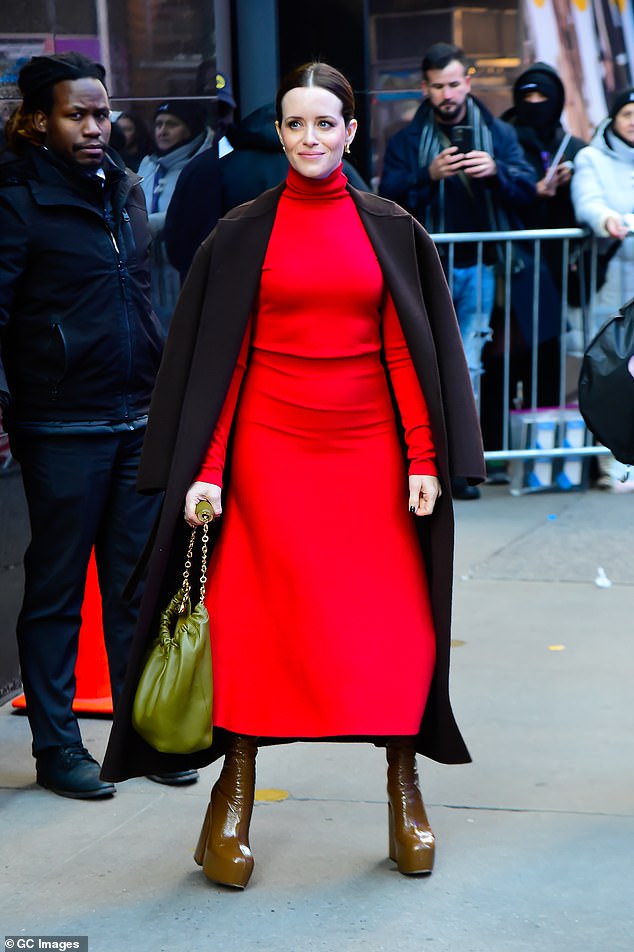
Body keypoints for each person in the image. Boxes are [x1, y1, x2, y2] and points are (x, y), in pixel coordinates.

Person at [102, 61, 485, 888]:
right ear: (277, 134)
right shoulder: (240, 231)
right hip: (268, 460)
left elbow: (405, 353)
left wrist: (425, 459)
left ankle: (403, 788)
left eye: (325, 124)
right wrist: (205, 472)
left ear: (351, 132)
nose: (310, 139)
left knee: (395, 631)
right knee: (253, 630)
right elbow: (223, 366)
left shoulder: (390, 225)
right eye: (294, 125)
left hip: (370, 460)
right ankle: (232, 797)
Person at [0, 52, 197, 798]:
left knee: (137, 586)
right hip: (60, 423)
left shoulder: (121, 186)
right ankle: (58, 750)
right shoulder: (17, 200)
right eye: (76, 114)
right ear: (37, 120)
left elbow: (140, 297)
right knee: (56, 591)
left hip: (136, 414)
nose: (94, 126)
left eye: (101, 112)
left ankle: (143, 736)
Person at [379, 42, 536, 499]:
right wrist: (427, 176)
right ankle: (434, 462)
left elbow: (527, 192)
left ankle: (462, 467)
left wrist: (496, 172)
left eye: (453, 84)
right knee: (429, 366)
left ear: (467, 81)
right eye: (437, 87)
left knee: (468, 367)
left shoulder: (497, 133)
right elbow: (386, 198)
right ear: (424, 88)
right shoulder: (408, 140)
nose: (447, 95)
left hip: (481, 267)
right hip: (428, 271)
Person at [164, 101, 371, 284]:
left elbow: (181, 244)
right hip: (319, 296)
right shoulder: (331, 167)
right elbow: (372, 232)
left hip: (229, 301)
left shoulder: (209, 166)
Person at [572, 87, 634, 491]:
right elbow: (587, 203)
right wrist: (607, 219)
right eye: (628, 113)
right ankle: (612, 463)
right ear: (614, 118)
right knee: (611, 374)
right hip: (613, 283)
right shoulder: (591, 157)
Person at [137, 99, 213, 327]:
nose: (162, 131)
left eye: (172, 124)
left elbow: (196, 216)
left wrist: (152, 224)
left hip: (184, 269)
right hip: (149, 270)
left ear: (190, 129)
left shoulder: (203, 167)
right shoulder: (148, 163)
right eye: (159, 124)